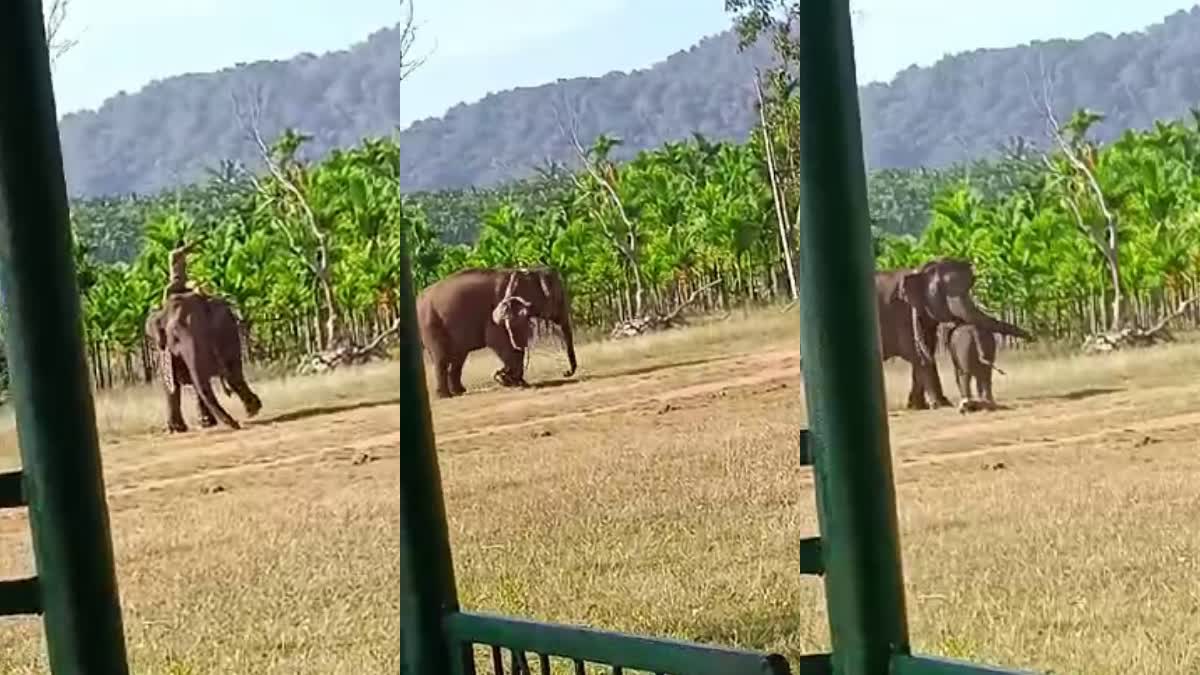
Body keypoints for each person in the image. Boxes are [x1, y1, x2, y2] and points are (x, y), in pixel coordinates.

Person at [162, 235, 203, 303]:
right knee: (167, 290)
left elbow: (191, 251)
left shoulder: (183, 258)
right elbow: (185, 249)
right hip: (176, 281)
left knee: (196, 285)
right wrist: (197, 241)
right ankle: (164, 306)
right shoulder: (173, 254)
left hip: (184, 281)